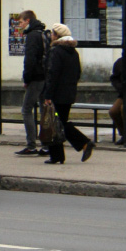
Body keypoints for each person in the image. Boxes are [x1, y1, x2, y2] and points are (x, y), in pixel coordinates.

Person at [40, 23, 94, 164]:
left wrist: (48, 95)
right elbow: (78, 73)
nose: (51, 36)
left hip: (56, 95)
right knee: (59, 122)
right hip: (68, 94)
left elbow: (52, 74)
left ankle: (83, 143)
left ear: (57, 36)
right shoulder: (73, 52)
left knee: (55, 123)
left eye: (52, 33)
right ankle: (59, 155)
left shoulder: (56, 51)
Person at [14, 10, 50, 156]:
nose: (20, 25)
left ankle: (31, 145)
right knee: (43, 110)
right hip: (45, 77)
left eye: (21, 22)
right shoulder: (43, 33)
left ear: (28, 20)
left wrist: (26, 79)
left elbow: (29, 60)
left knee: (26, 109)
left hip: (35, 78)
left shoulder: (32, 36)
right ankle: (46, 145)